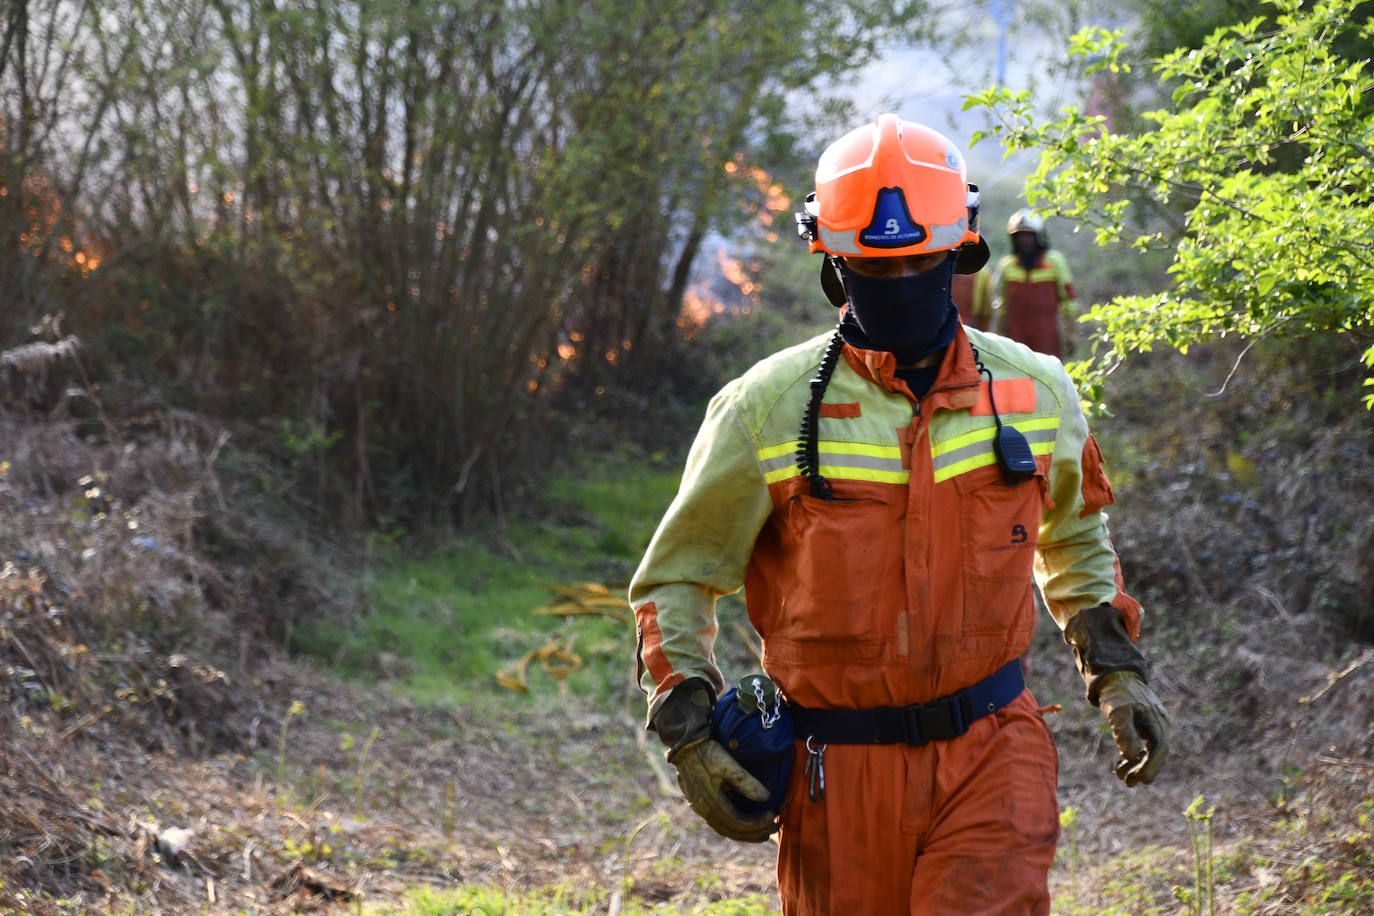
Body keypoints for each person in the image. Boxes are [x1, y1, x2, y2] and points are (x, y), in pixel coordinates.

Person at [630, 114, 1168, 916]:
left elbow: (1075, 538)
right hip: (833, 777)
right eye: (877, 265)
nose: (902, 277)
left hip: (994, 751)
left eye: (920, 260)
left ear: (960, 248)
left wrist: (1117, 674)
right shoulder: (766, 410)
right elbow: (676, 579)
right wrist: (689, 731)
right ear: (834, 265)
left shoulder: (1037, 391)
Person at [994, 209, 1077, 358]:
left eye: (1029, 235)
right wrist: (999, 336)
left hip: (1047, 340)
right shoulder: (1007, 265)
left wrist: (1070, 335)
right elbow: (1003, 306)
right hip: (1015, 342)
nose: (1024, 240)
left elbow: (1069, 302)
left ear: (1039, 236)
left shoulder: (1054, 262)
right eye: (1020, 236)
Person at [951, 264, 992, 330]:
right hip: (971, 325)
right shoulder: (982, 272)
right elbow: (987, 306)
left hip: (947, 323)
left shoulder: (945, 265)